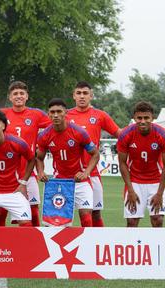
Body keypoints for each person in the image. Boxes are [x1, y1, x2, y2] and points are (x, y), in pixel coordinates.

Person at [36, 98, 99, 227]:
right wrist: (41, 171)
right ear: (48, 114)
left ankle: (87, 246)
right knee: (56, 223)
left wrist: (86, 173)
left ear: (65, 113)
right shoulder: (44, 135)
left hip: (80, 182)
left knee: (86, 218)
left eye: (59, 111)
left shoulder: (79, 132)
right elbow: (39, 158)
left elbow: (95, 154)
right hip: (60, 182)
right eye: (52, 112)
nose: (55, 115)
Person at [67, 81, 121, 227]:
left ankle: (97, 244)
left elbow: (119, 133)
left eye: (85, 93)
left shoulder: (100, 115)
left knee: (95, 212)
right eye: (78, 93)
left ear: (91, 96)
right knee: (65, 213)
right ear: (74, 96)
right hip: (68, 174)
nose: (82, 96)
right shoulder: (65, 115)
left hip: (92, 173)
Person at [0, 81, 51, 226]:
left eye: (21, 93)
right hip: (5, 173)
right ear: (10, 97)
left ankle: (37, 244)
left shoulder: (36, 114)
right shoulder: (2, 114)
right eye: (15, 94)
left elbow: (56, 124)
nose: (18, 96)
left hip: (28, 171)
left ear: (27, 96)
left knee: (33, 210)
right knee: (1, 212)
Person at [117, 101, 165, 227]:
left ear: (152, 118)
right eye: (139, 118)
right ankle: (132, 247)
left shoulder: (164, 136)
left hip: (156, 182)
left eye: (146, 118)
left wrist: (159, 193)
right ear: (134, 118)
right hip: (134, 182)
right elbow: (122, 163)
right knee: (132, 222)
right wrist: (130, 190)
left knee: (157, 220)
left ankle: (157, 247)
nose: (142, 121)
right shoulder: (125, 134)